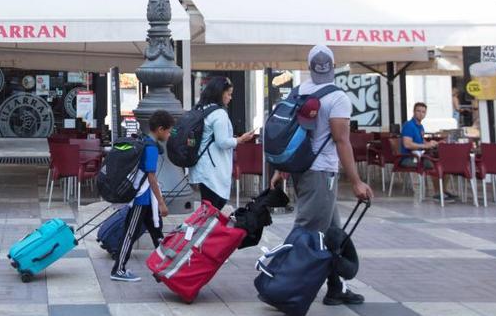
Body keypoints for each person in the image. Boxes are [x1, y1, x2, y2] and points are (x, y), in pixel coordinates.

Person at [271, 45, 373, 307]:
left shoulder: (299, 91)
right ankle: (279, 286)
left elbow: (287, 132)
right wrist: (357, 181)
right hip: (321, 173)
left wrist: (282, 167)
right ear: (334, 65)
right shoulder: (337, 97)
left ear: (309, 66)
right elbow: (341, 140)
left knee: (333, 231)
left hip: (302, 168)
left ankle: (336, 287)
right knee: (304, 231)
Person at [111, 109, 173, 282]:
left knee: (156, 232)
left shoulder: (144, 141)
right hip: (142, 198)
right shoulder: (151, 148)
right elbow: (151, 177)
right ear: (160, 129)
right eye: (168, 131)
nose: (169, 135)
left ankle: (165, 268)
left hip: (145, 199)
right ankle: (118, 269)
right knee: (130, 233)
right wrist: (161, 203)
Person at [189, 77, 255, 210]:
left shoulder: (202, 109)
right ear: (220, 93)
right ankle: (203, 231)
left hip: (203, 168)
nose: (230, 98)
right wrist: (241, 139)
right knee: (212, 212)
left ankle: (205, 230)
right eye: (229, 94)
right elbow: (222, 142)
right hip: (213, 171)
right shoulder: (219, 114)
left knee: (207, 211)